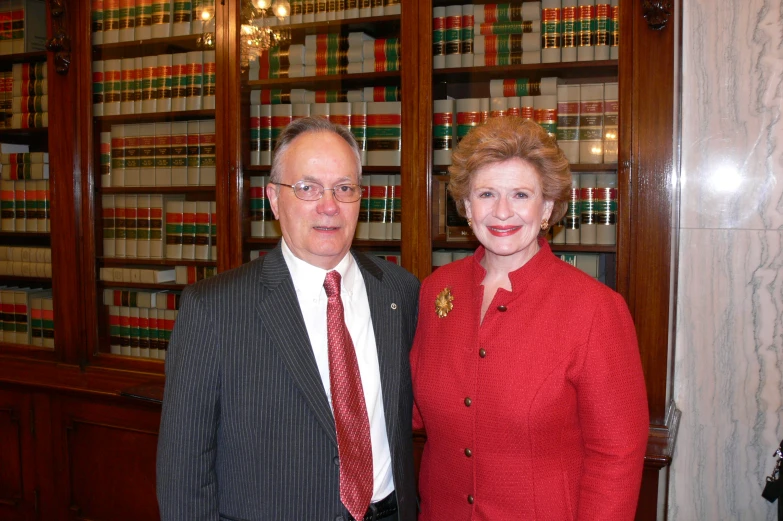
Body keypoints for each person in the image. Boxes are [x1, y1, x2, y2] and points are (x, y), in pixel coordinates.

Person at [157, 117, 420, 521]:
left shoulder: (399, 291)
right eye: (307, 188)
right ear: (274, 199)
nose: (329, 205)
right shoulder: (212, 310)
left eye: (344, 189)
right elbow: (183, 472)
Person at [410, 117, 649, 520]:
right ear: (467, 207)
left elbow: (617, 454)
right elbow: (412, 409)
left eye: (521, 194)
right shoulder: (437, 291)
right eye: (487, 194)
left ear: (548, 208)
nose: (502, 212)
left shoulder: (595, 309)